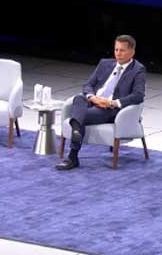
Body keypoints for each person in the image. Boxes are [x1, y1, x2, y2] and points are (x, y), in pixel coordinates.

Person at [56, 34, 147, 170]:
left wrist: (112, 103)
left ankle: (72, 156)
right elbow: (88, 84)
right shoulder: (105, 64)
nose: (118, 53)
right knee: (79, 98)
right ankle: (76, 131)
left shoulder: (138, 70)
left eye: (122, 50)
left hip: (109, 109)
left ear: (132, 52)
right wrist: (92, 97)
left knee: (79, 116)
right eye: (116, 49)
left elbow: (138, 96)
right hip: (94, 101)